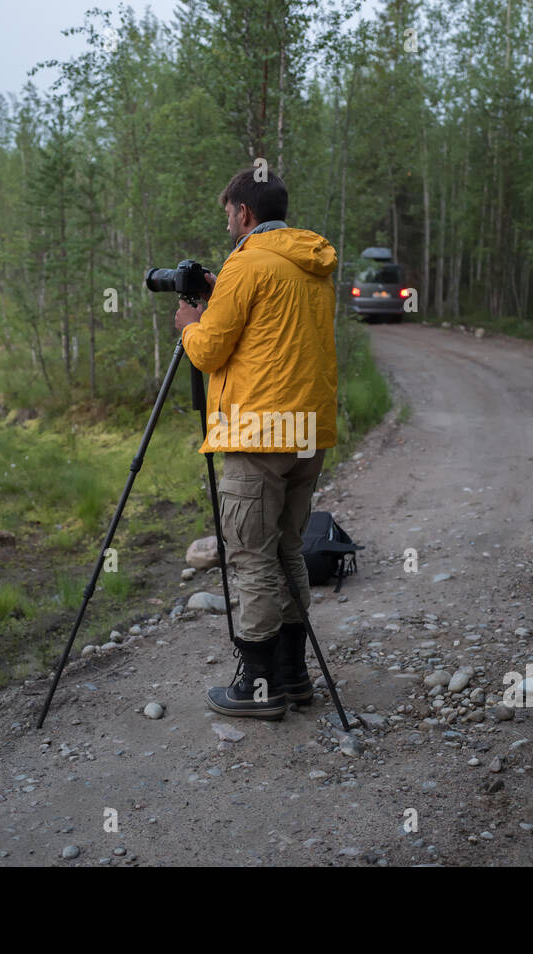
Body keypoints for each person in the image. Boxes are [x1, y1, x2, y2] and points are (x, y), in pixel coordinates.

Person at [174, 168, 338, 720]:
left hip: (259, 430)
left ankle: (257, 687)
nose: (227, 225)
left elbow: (210, 352)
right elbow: (276, 336)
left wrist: (189, 324)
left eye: (228, 215)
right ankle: (292, 677)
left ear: (243, 213)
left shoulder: (247, 262)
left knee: (249, 554)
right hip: (308, 429)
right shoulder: (310, 266)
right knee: (288, 549)